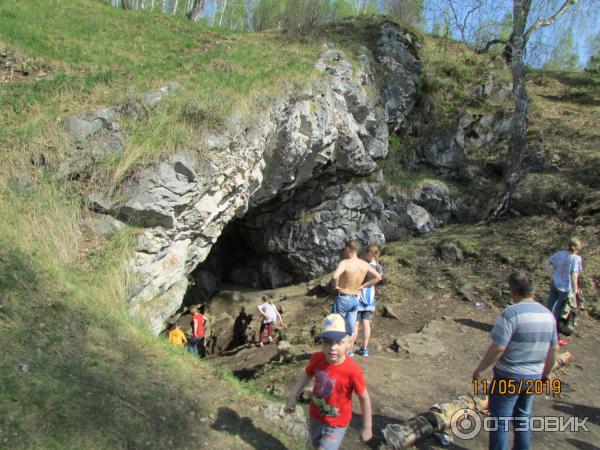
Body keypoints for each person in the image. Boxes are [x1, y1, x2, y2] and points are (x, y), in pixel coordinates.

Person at [472, 271, 559, 450]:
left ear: (513, 290)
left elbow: (498, 347)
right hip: (533, 375)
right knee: (523, 416)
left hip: (509, 376)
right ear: (532, 290)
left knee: (500, 420)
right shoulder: (548, 315)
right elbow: (554, 349)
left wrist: (480, 369)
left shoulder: (511, 314)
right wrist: (546, 374)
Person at [285, 314, 372, 450]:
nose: (332, 348)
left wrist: (367, 427)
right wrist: (292, 397)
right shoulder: (316, 359)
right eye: (327, 342)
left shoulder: (353, 371)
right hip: (315, 415)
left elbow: (364, 398)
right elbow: (305, 376)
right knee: (315, 444)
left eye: (338, 342)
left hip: (337, 422)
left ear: (349, 342)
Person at [331, 240, 382, 356]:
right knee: (350, 328)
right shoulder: (364, 264)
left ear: (348, 249)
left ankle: (336, 353)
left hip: (343, 297)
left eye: (345, 249)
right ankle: (348, 352)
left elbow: (335, 276)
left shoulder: (345, 263)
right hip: (355, 299)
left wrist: (335, 286)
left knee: (336, 325)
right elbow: (378, 277)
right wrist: (363, 285)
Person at [545, 237, 583, 346]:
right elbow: (574, 275)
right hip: (565, 289)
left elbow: (548, 263)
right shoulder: (576, 259)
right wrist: (575, 291)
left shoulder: (560, 254)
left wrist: (551, 274)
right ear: (578, 248)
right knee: (557, 313)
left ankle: (543, 330)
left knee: (549, 308)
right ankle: (554, 337)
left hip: (555, 284)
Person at [354, 245, 383, 357]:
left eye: (366, 253)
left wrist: (361, 285)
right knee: (366, 322)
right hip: (371, 296)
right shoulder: (379, 267)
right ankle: (364, 349)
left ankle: (350, 350)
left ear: (370, 253)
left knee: (355, 323)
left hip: (360, 295)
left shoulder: (365, 266)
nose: (364, 255)